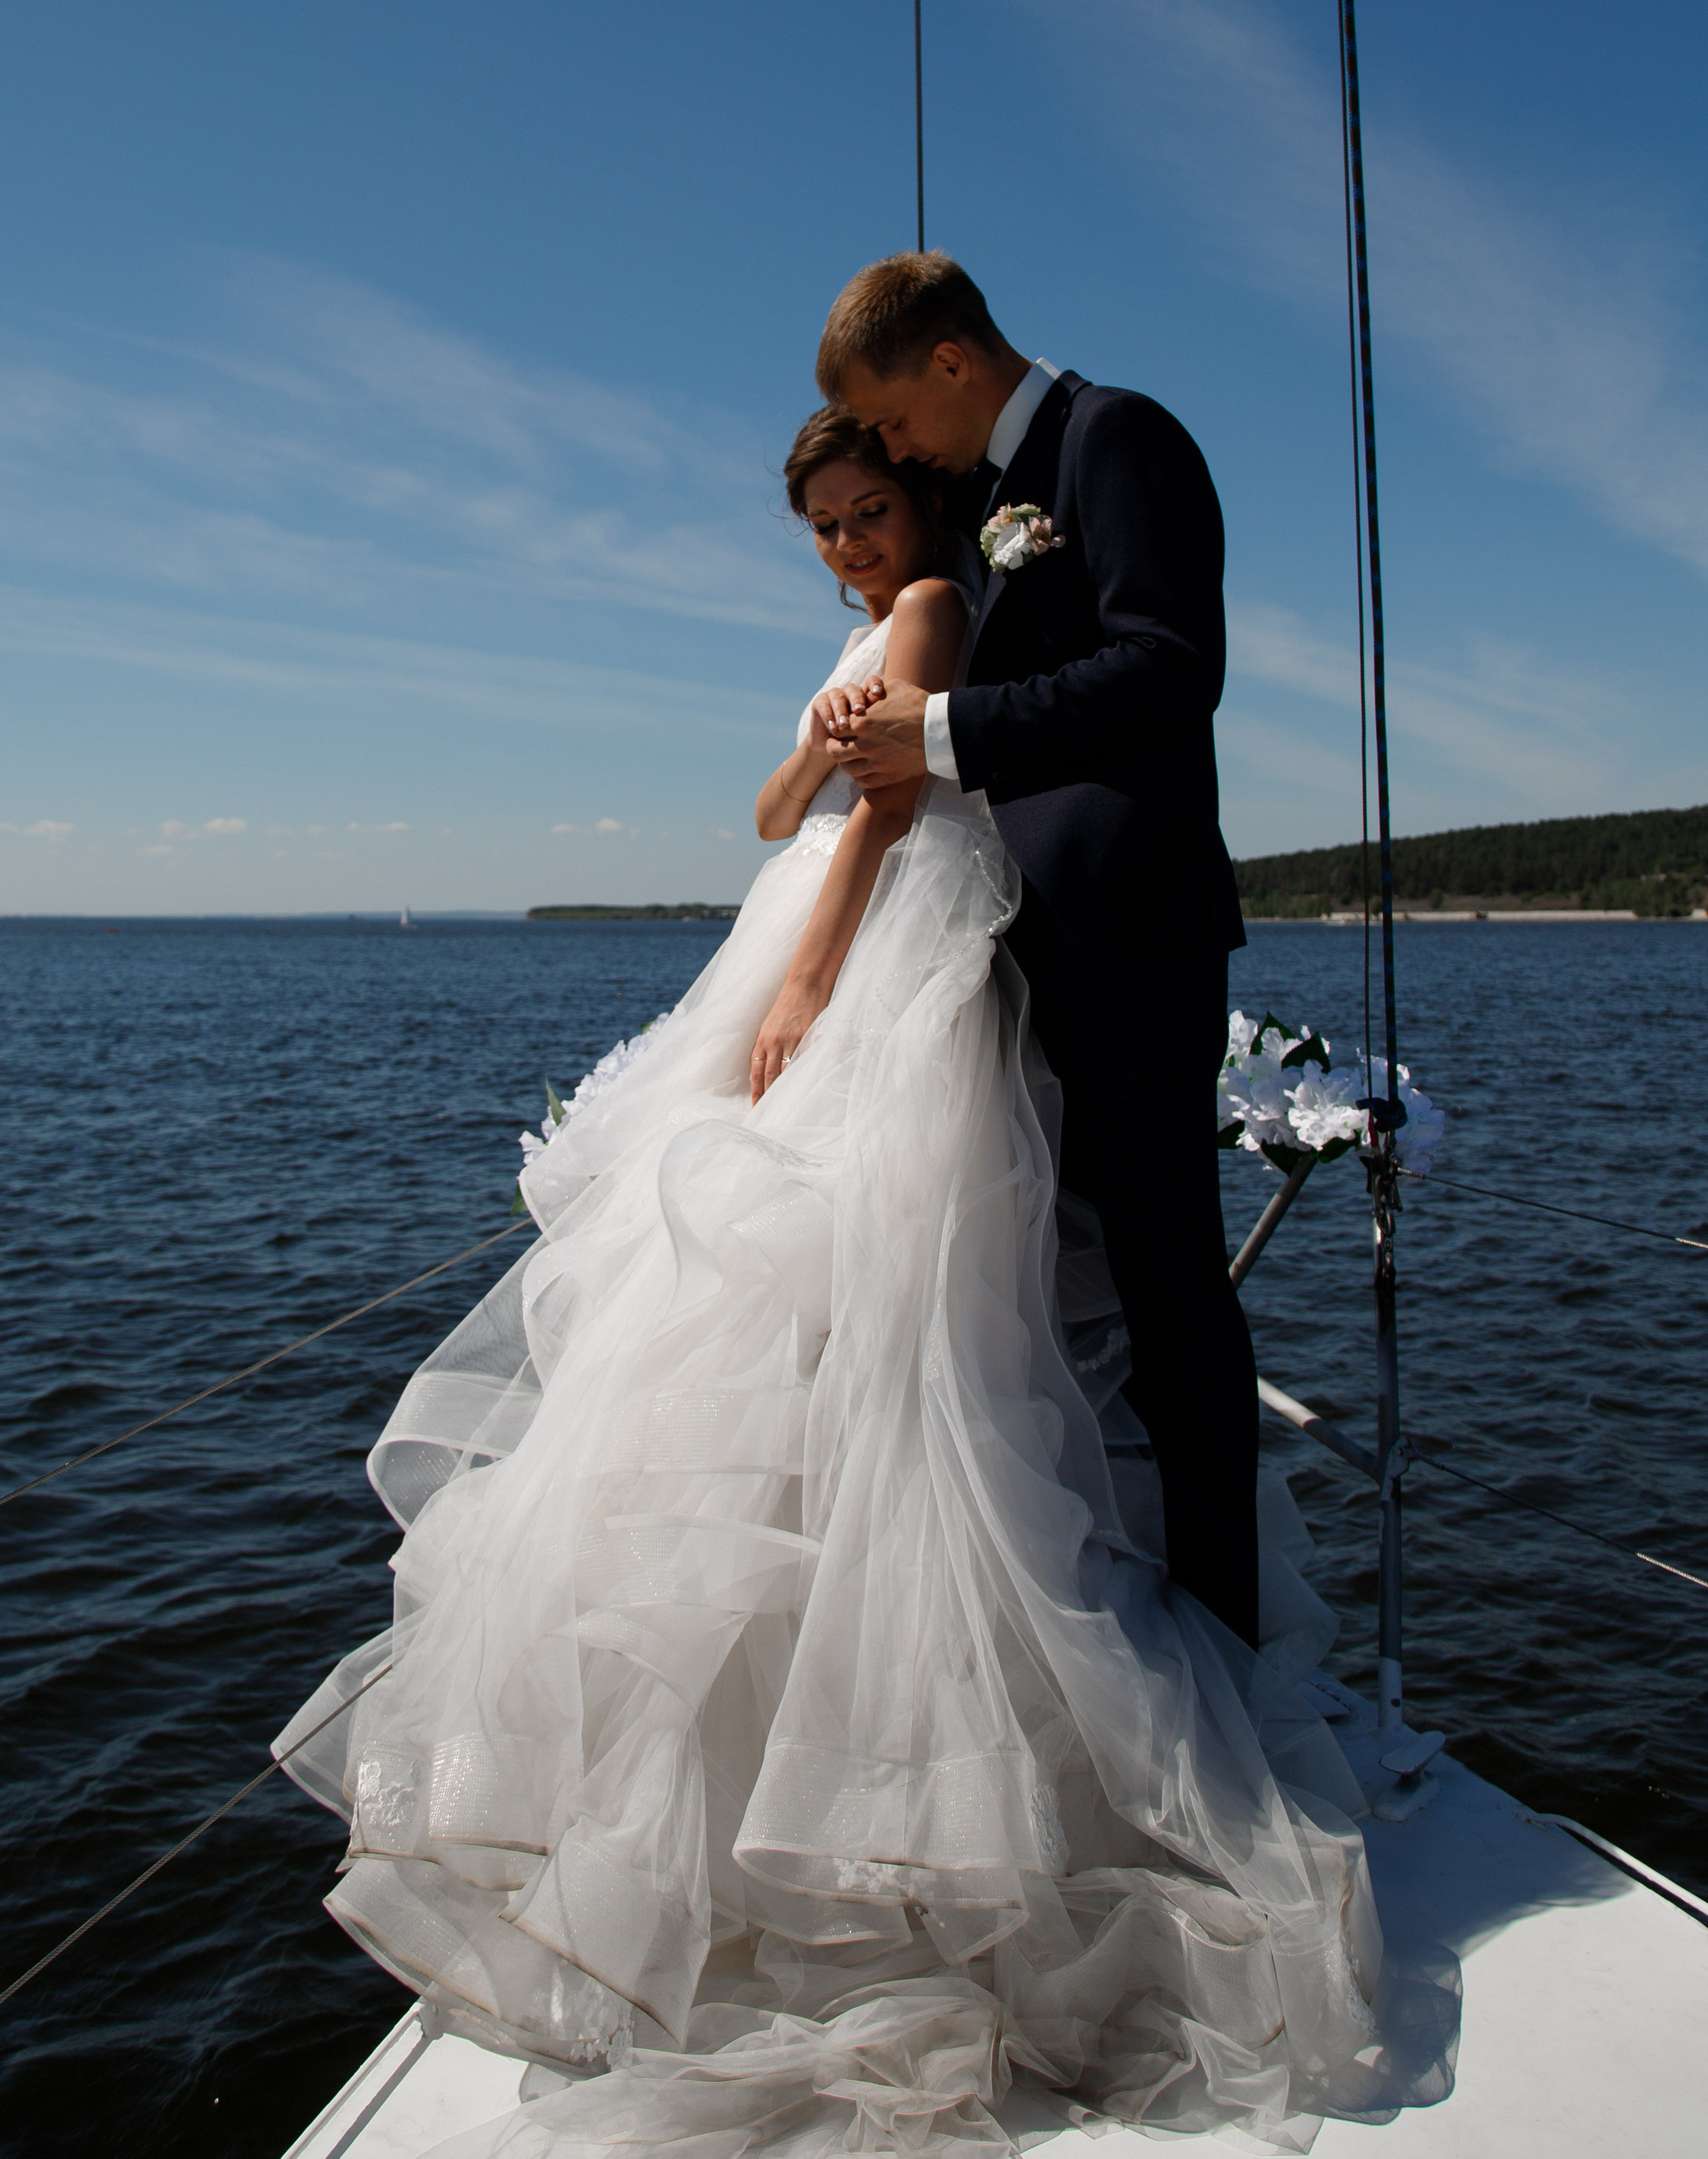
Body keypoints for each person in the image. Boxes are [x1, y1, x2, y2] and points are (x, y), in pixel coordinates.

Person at [272, 405, 1386, 2159]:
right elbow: (787, 798)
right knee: (742, 1322)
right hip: (808, 904)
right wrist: (810, 749)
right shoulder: (865, 632)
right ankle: (751, 1774)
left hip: (884, 937)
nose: (848, 548)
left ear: (915, 499)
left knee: (871, 1298)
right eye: (821, 530)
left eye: (863, 513)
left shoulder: (940, 603)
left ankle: (887, 1784)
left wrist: (808, 970)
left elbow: (873, 816)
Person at [813, 251, 1259, 1648]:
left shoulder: (1116, 437)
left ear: (952, 361)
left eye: (890, 421)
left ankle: (1224, 1625)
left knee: (1170, 1282)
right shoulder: (981, 499)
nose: (890, 450)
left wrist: (940, 736)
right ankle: (1084, 1612)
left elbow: (1172, 665)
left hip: (1131, 941)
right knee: (1040, 1289)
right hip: (1017, 947)